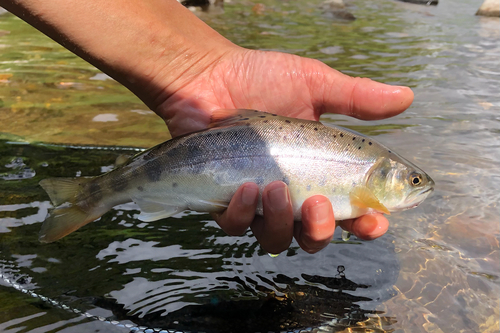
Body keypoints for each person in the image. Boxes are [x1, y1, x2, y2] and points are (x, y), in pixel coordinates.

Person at [2, 0, 414, 254]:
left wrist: (199, 66)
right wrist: (201, 68)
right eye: (412, 180)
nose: (416, 184)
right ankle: (91, 196)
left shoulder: (368, 170)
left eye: (414, 180)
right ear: (382, 176)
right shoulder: (369, 170)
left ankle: (92, 194)